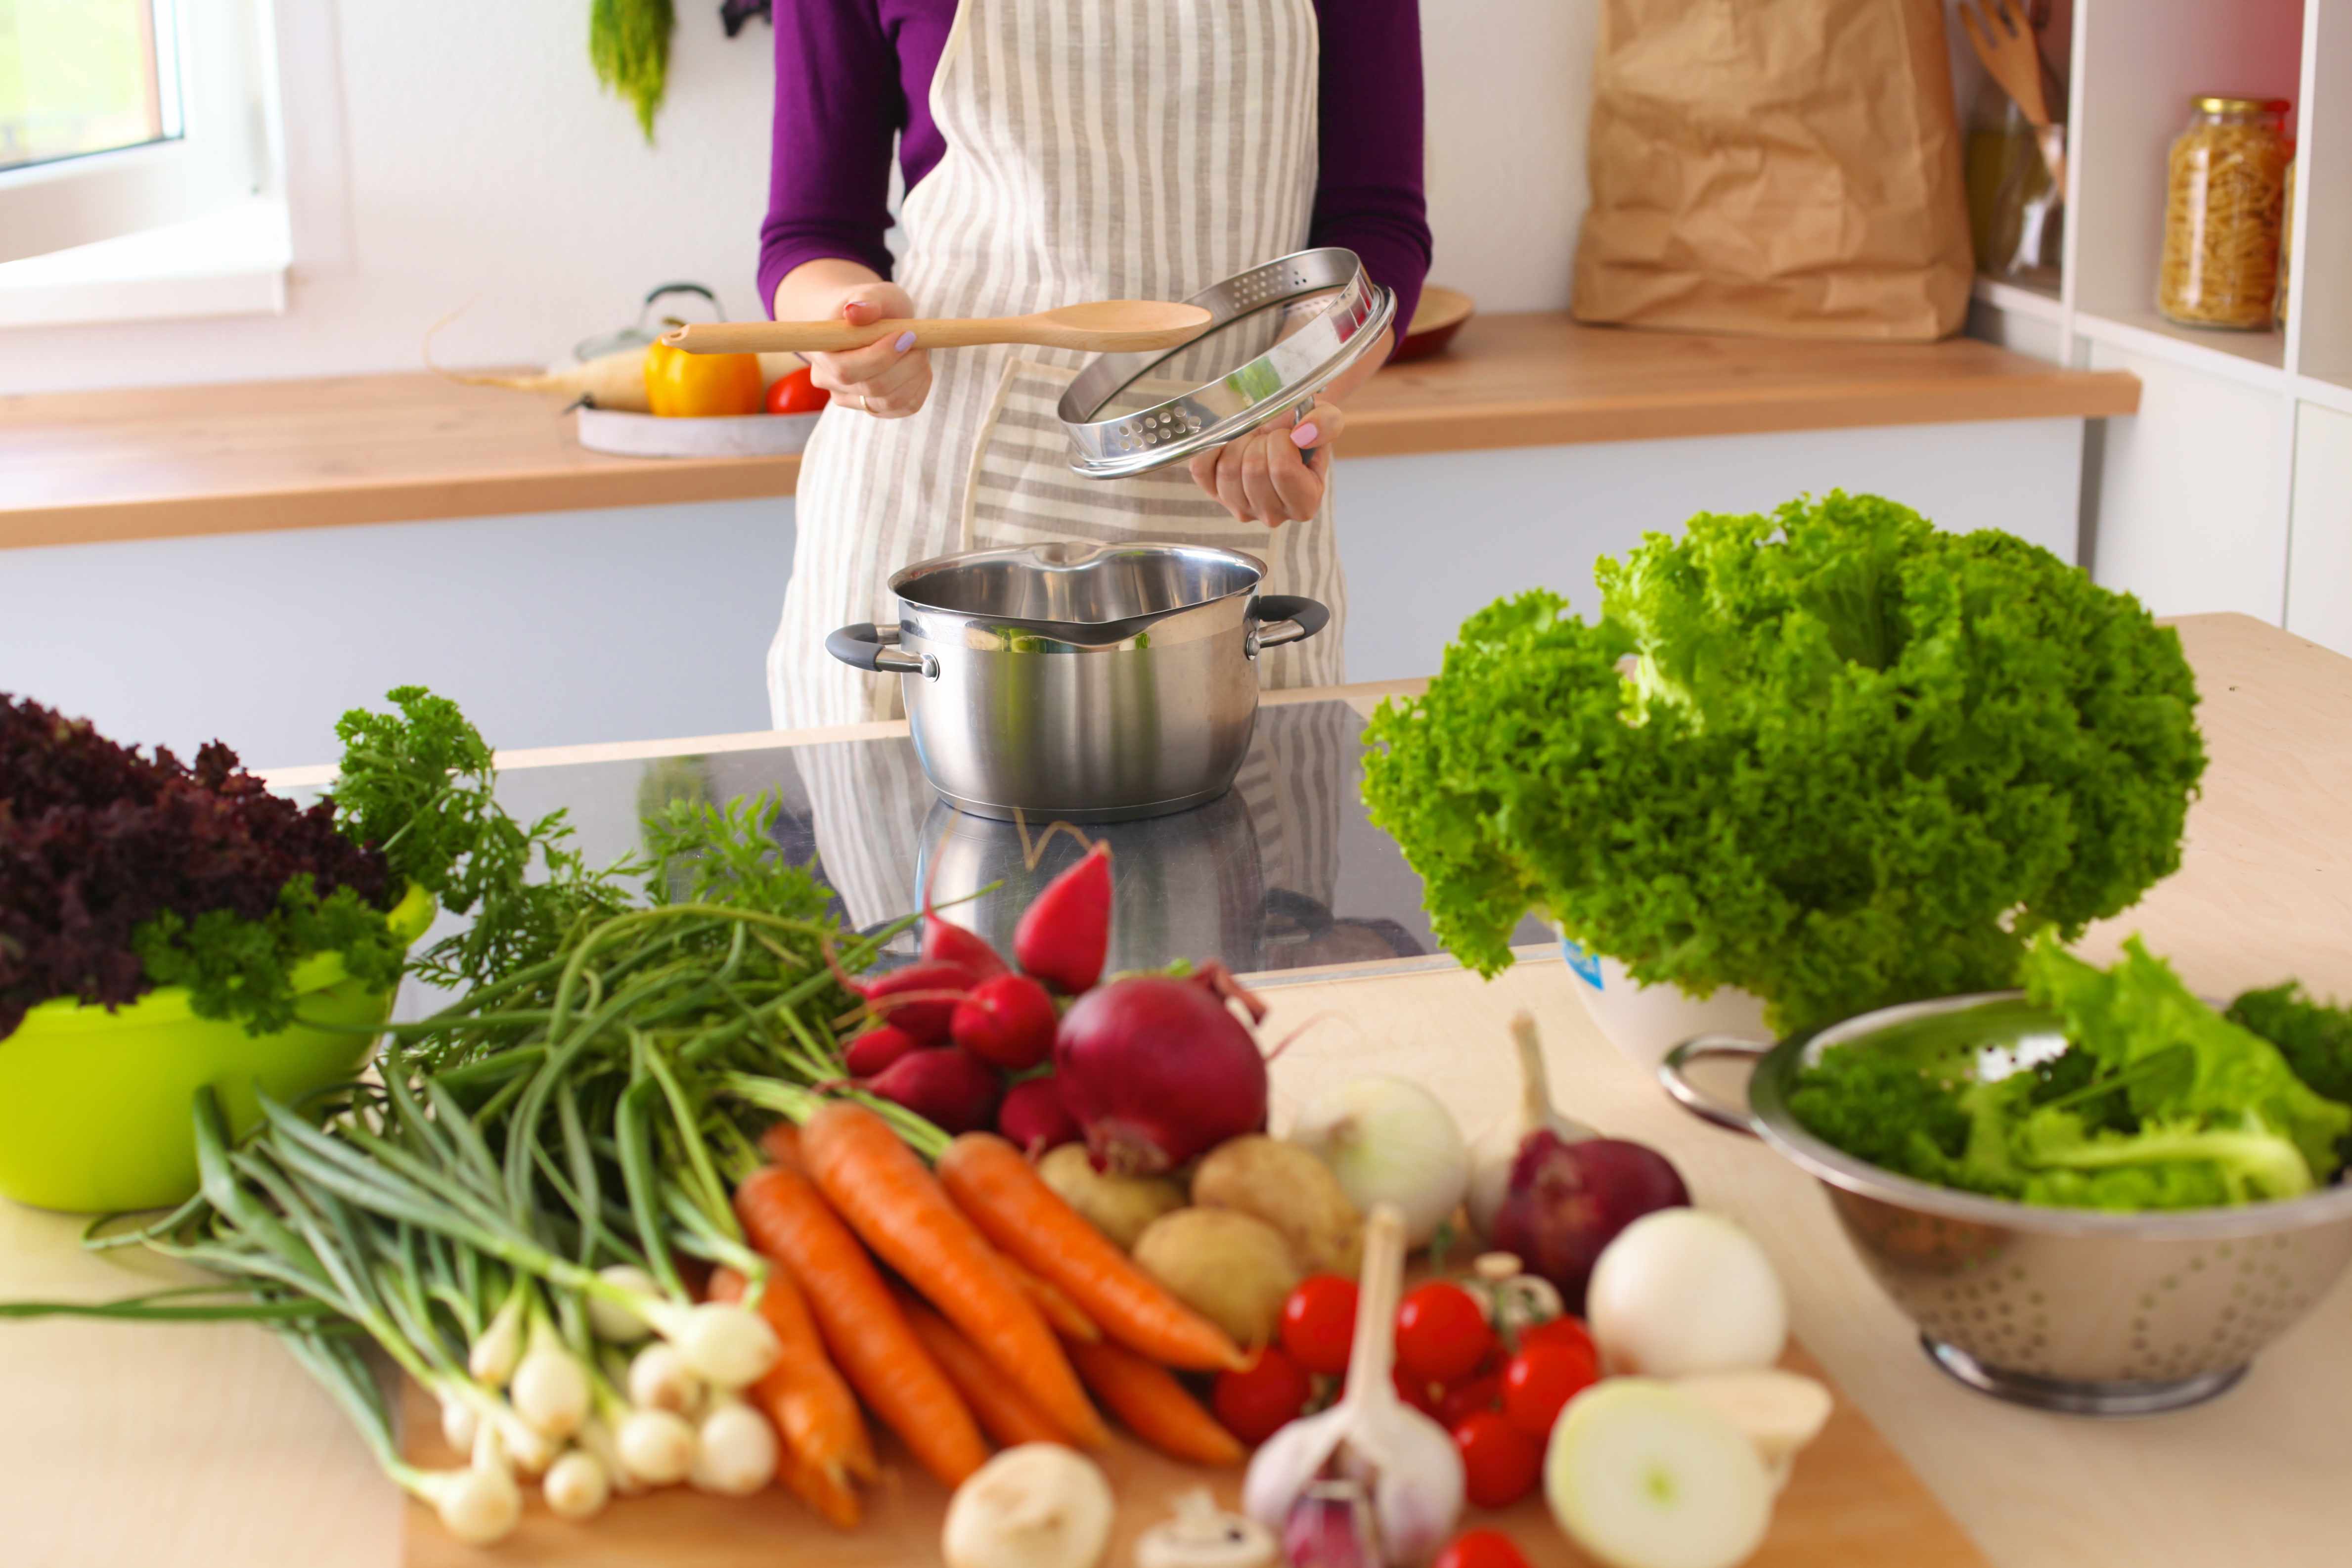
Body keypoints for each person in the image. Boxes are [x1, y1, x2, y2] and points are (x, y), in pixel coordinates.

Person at [760, 0, 1430, 727]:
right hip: (929, 493)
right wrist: (846, 326)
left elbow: (1375, 221)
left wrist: (1285, 394)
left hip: (1238, 476)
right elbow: (813, 231)